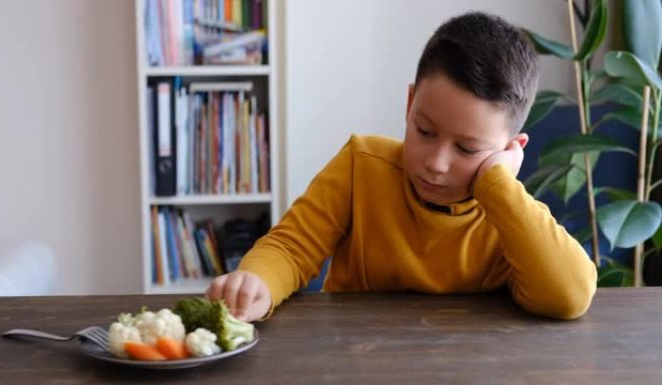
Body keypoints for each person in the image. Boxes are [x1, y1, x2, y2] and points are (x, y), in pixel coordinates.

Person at [206, 12, 597, 322]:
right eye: (424, 130)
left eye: (467, 148)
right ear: (410, 103)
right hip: (355, 359)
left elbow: (568, 296)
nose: (436, 163)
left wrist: (497, 185)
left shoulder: (506, 210)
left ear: (511, 150)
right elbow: (291, 249)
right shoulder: (362, 165)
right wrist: (256, 283)